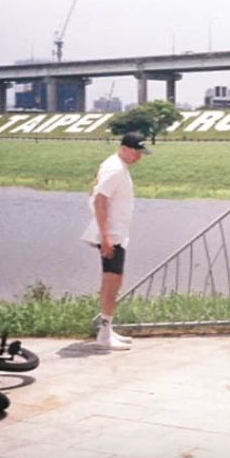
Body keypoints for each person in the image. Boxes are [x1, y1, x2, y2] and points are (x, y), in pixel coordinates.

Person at [81, 131, 150, 350]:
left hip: (117, 233)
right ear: (125, 148)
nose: (140, 157)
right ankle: (104, 334)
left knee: (115, 280)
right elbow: (101, 201)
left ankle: (107, 329)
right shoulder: (115, 169)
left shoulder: (118, 166)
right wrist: (106, 237)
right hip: (111, 233)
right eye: (137, 152)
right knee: (111, 281)